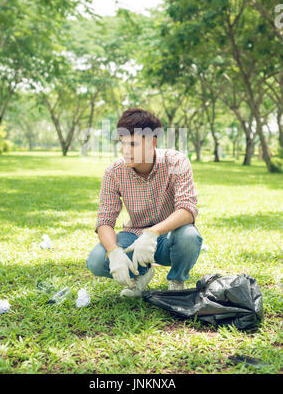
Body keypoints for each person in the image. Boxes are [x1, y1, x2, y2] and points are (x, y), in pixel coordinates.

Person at [86, 107, 203, 297]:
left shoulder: (176, 162)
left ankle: (177, 280)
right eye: (122, 143)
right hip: (133, 236)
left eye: (132, 144)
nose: (125, 150)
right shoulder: (114, 172)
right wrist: (114, 252)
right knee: (97, 260)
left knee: (189, 236)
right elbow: (104, 221)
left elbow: (187, 209)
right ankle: (141, 274)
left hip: (169, 237)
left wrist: (152, 233)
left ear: (152, 142)